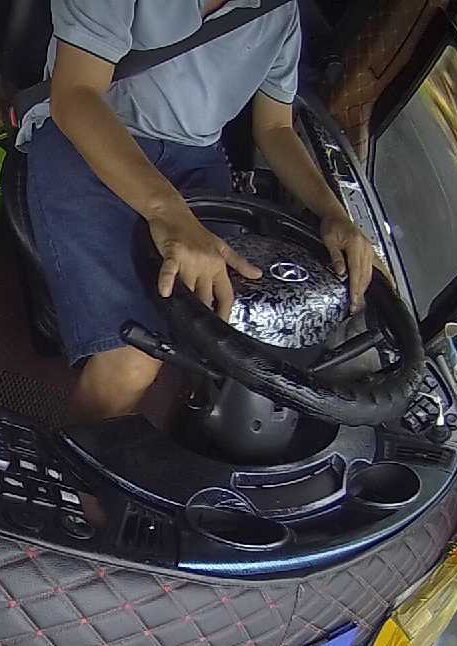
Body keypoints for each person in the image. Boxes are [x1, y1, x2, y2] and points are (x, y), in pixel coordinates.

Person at [19, 0, 378, 424]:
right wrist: (169, 213)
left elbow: (275, 127)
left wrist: (332, 212)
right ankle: (69, 462)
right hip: (90, 134)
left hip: (196, 163)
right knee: (131, 360)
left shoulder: (279, 15)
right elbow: (75, 96)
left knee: (234, 328)